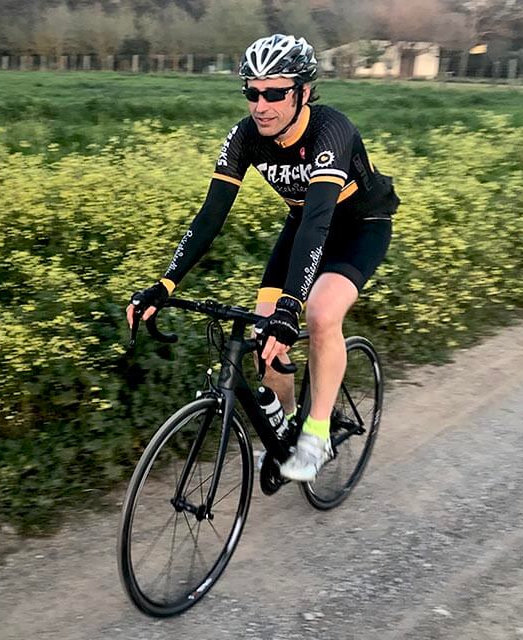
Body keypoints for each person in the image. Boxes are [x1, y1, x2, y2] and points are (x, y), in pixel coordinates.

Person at [126, 34, 400, 481]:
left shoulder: (331, 130)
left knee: (319, 314)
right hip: (305, 220)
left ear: (304, 92)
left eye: (275, 92)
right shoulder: (245, 137)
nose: (262, 105)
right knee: (265, 329)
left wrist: (293, 307)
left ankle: (316, 434)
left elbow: (318, 222)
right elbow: (211, 215)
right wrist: (166, 284)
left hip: (359, 227)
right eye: (253, 92)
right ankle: (289, 426)